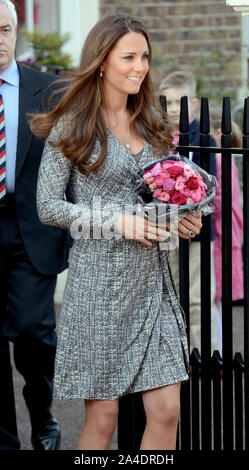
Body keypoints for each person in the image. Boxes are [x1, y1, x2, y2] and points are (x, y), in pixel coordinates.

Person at [30, 14, 202, 451]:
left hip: (153, 284)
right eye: (129, 57)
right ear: (102, 61)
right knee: (103, 420)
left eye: (144, 56)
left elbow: (165, 200)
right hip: (98, 287)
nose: (140, 67)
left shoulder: (154, 127)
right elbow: (48, 207)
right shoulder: (72, 126)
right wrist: (116, 220)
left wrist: (183, 221)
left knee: (167, 412)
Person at [0, 0, 71, 450]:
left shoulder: (49, 91)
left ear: (16, 31)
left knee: (32, 332)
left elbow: (79, 165)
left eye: (4, 29)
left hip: (31, 233)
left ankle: (43, 416)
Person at [159, 71, 219, 353]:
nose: (172, 109)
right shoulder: (157, 139)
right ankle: (178, 357)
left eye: (178, 102)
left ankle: (208, 353)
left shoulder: (204, 140)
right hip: (164, 230)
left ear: (193, 104)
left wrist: (192, 214)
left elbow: (211, 188)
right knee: (170, 297)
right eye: (167, 103)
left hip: (197, 231)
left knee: (198, 298)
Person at [210, 107, 244, 354]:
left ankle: (217, 351)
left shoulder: (221, 159)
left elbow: (220, 201)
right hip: (227, 232)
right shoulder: (227, 158)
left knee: (214, 297)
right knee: (215, 299)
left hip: (222, 234)